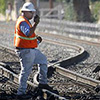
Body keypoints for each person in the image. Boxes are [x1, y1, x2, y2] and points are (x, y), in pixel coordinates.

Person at [14, 2, 52, 99]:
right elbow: (27, 33)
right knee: (25, 71)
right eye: (31, 12)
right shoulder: (22, 21)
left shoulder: (26, 21)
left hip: (30, 50)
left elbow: (29, 37)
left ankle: (43, 83)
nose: (32, 14)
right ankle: (20, 93)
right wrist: (36, 23)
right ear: (25, 12)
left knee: (43, 60)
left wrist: (37, 40)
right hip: (25, 51)